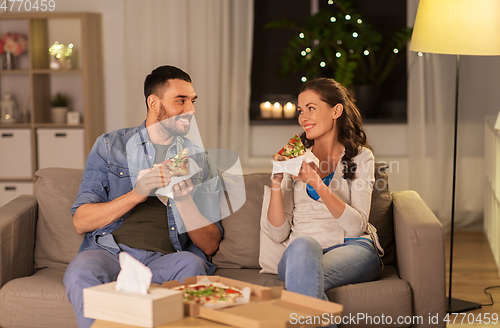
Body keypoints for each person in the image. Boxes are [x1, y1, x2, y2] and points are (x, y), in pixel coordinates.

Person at [63, 65, 223, 328]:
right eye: (180, 101)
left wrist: (184, 200)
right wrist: (136, 194)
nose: (190, 111)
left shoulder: (199, 159)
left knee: (193, 267)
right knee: (80, 270)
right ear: (154, 102)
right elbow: (81, 221)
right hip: (110, 253)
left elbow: (210, 245)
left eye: (192, 101)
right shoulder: (109, 146)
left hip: (167, 260)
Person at [267, 78, 383, 301]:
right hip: (301, 251)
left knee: (302, 279)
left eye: (311, 108)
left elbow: (357, 226)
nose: (303, 117)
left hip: (352, 248)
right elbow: (278, 233)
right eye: (301, 110)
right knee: (303, 246)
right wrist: (276, 181)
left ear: (336, 111)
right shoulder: (296, 155)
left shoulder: (361, 157)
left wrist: (316, 182)